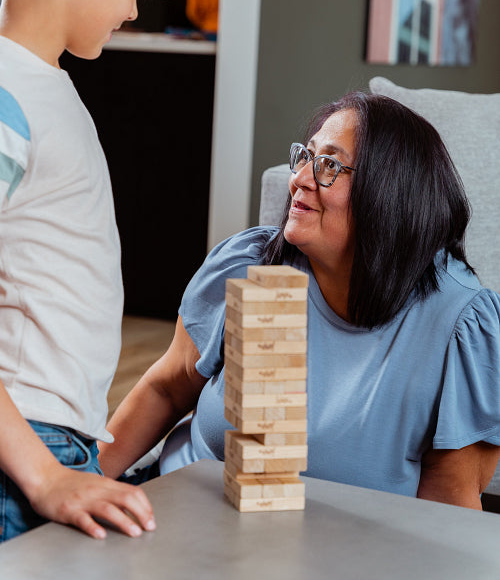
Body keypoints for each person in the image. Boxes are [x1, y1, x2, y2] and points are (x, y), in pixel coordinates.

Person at [99, 91, 500, 509]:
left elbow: (447, 509)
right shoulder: (252, 266)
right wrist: (82, 485)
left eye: (329, 165)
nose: (301, 178)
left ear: (389, 192)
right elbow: (167, 388)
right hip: (176, 510)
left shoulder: (460, 326)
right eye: (305, 157)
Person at [0, 0, 191, 541]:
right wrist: (46, 474)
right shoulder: (8, 99)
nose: (133, 11)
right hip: (22, 453)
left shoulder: (43, 89)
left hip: (50, 439)